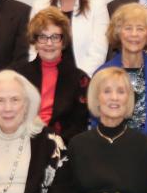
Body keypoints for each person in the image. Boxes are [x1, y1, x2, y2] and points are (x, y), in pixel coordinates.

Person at [97, 4, 147, 146]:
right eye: (128, 28)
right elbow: (96, 118)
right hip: (111, 150)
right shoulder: (102, 73)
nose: (134, 34)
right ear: (118, 32)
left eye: (140, 29)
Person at [12, 8, 90, 143]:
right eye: (43, 37)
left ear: (63, 41)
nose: (49, 43)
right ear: (35, 41)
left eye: (55, 37)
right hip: (21, 143)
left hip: (61, 147)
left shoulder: (79, 80)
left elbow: (78, 127)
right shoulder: (17, 75)